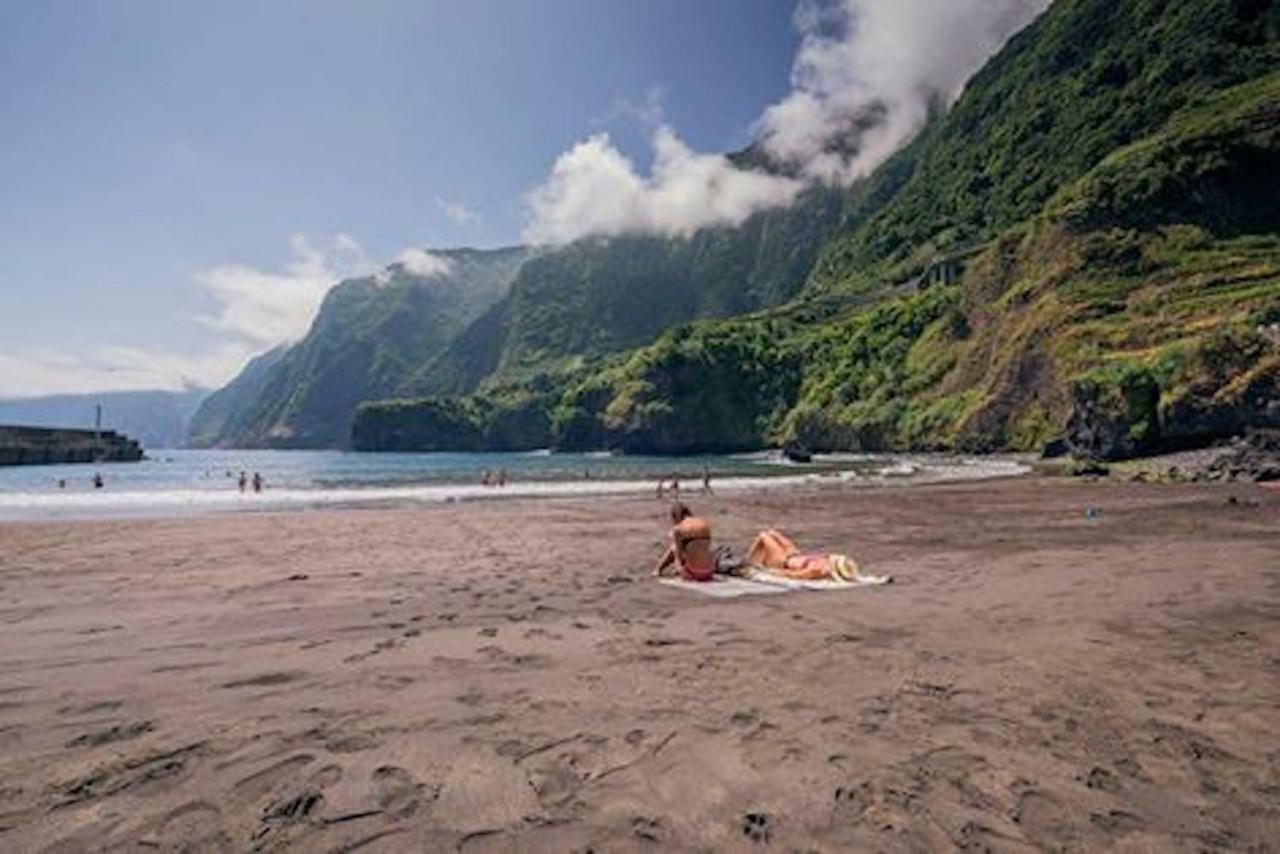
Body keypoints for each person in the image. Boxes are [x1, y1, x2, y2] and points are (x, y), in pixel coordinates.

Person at [746, 529, 856, 581]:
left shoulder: (815, 571)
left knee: (764, 536)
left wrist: (773, 572)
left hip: (782, 562)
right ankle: (755, 559)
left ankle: (749, 560)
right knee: (772, 532)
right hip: (793, 554)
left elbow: (795, 574)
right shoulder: (824, 562)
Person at [653, 502, 716, 582]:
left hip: (693, 574)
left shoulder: (678, 529)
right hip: (709, 572)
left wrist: (678, 568)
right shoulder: (703, 523)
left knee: (674, 547)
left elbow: (678, 556)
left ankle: (657, 570)